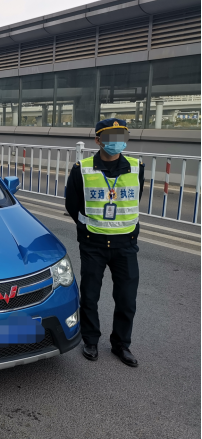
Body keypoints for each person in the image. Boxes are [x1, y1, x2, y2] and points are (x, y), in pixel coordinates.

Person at [65, 118, 145, 367]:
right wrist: (88, 227)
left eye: (121, 135)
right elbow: (72, 204)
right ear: (98, 140)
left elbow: (136, 196)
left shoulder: (136, 166)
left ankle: (121, 344)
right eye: (110, 137)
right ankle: (90, 340)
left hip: (126, 244)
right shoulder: (82, 168)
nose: (116, 141)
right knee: (90, 295)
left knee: (126, 299)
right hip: (94, 243)